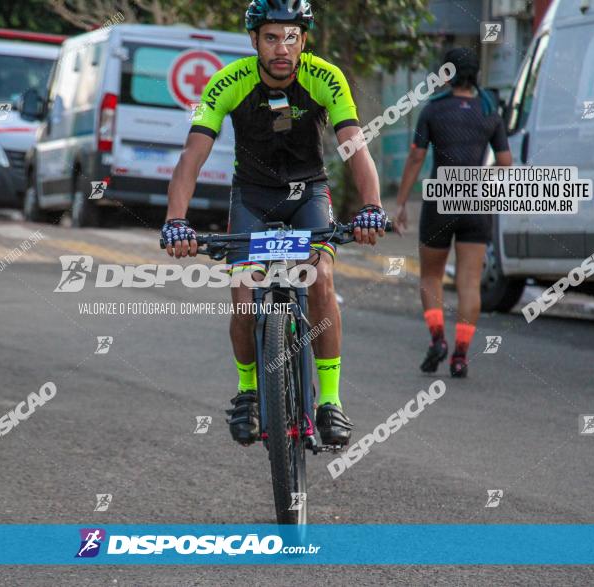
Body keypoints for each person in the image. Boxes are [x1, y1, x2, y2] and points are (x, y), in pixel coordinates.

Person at [161, 0, 387, 446]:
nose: (281, 47)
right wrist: (175, 220)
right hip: (254, 196)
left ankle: (330, 402)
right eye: (270, 37)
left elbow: (353, 145)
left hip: (310, 193)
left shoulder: (325, 77)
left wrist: (372, 207)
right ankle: (247, 391)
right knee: (244, 291)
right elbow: (193, 154)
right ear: (254, 41)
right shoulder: (229, 81)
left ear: (304, 40)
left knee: (320, 275)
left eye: (291, 37)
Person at [394, 47, 512, 378]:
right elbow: (505, 163)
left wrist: (401, 203)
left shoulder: (433, 110)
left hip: (440, 198)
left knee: (431, 275)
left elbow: (417, 157)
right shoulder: (490, 111)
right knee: (470, 282)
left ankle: (437, 340)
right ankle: (460, 355)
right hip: (475, 199)